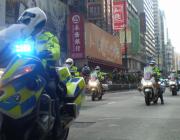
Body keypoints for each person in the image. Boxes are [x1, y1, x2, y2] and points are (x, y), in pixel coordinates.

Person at [17, 7, 65, 100]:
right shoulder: (26, 40)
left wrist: (49, 53)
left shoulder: (49, 37)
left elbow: (55, 50)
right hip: (26, 70)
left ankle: (55, 113)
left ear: (37, 23)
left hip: (45, 71)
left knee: (50, 89)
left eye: (27, 23)